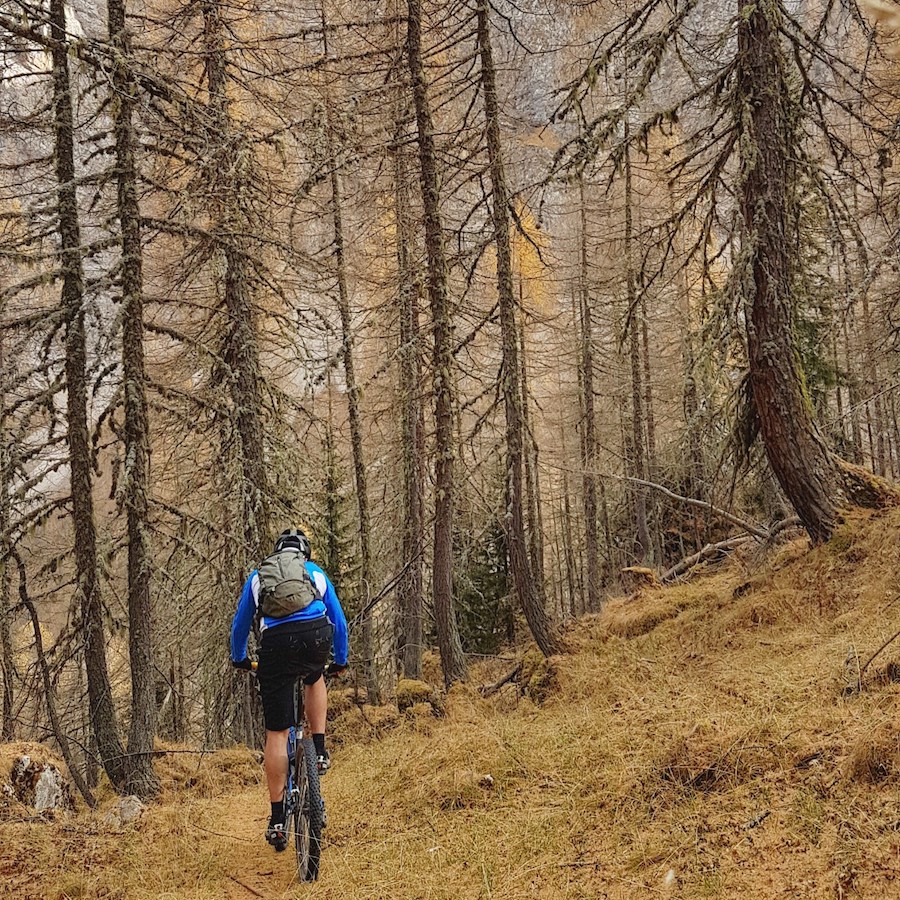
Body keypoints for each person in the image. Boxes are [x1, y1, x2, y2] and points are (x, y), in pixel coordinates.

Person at [230, 528, 349, 852]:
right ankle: (320, 750)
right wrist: (340, 660)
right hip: (315, 637)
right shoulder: (315, 573)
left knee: (278, 733)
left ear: (277, 553)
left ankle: (278, 818)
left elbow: (241, 625)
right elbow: (338, 620)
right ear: (304, 554)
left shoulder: (259, 576)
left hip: (277, 647)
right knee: (314, 677)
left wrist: (240, 659)